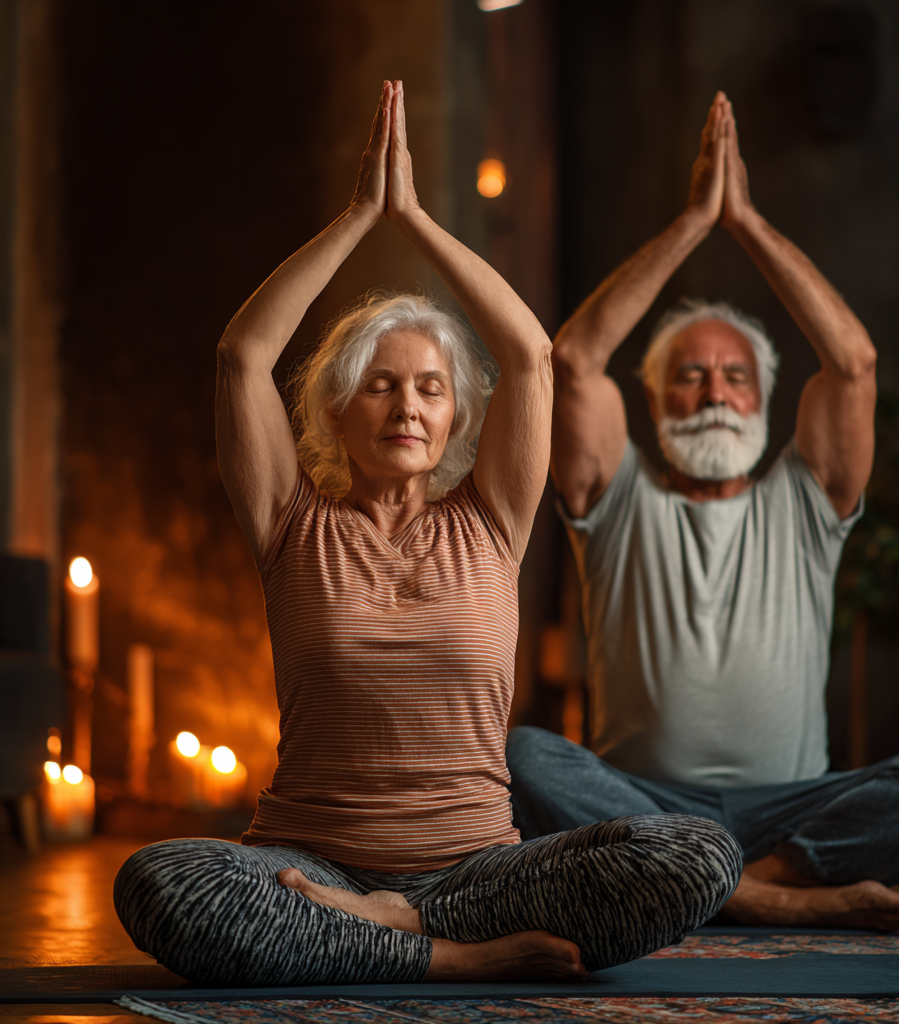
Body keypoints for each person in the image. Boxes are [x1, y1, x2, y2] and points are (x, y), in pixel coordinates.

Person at [113, 82, 742, 986]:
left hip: (476, 873)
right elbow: (241, 356)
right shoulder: (290, 520)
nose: (406, 405)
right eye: (380, 385)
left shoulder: (493, 519)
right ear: (337, 411)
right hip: (312, 868)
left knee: (699, 854)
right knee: (163, 883)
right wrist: (360, 218)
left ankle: (404, 927)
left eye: (430, 389)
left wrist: (413, 218)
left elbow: (530, 354)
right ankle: (453, 959)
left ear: (455, 419)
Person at [506, 91, 899, 932]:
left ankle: (729, 884)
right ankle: (771, 900)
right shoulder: (615, 496)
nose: (715, 393)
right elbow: (576, 359)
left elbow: (853, 361)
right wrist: (694, 224)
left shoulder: (806, 499)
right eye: (689, 377)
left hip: (794, 811)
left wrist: (747, 222)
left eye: (735, 378)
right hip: (643, 805)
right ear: (653, 401)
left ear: (765, 402)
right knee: (522, 756)